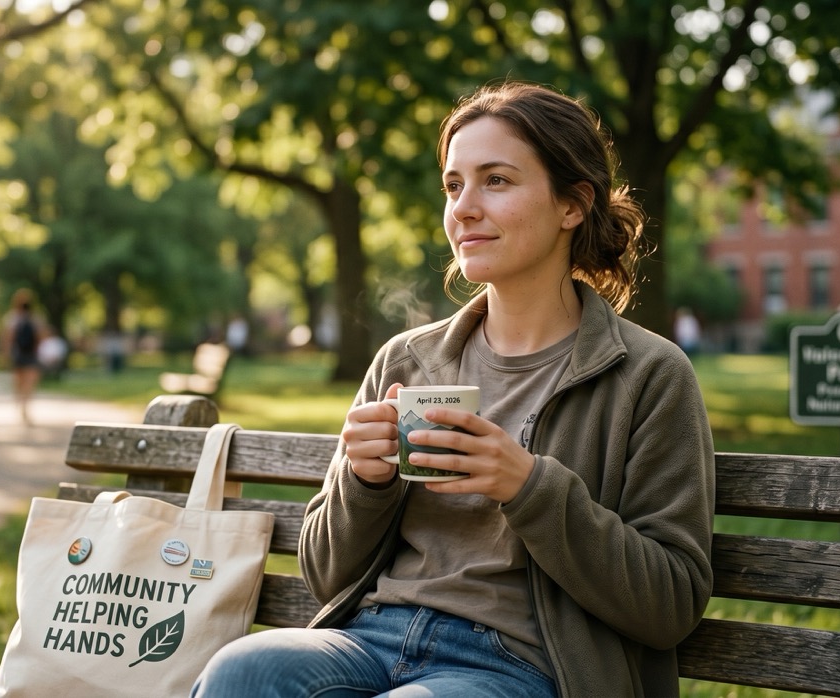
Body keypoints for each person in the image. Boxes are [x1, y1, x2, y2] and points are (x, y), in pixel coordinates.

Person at [192, 81, 715, 698]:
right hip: (373, 638)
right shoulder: (406, 362)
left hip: (522, 665)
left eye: (496, 180)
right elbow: (324, 573)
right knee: (241, 671)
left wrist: (529, 486)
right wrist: (364, 482)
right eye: (453, 185)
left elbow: (671, 603)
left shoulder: (647, 374)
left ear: (572, 205)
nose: (463, 207)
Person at [0, 289, 43, 424]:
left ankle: (21, 404)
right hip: (31, 355)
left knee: (19, 382)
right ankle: (25, 406)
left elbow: (7, 338)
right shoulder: (35, 318)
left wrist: (4, 354)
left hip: (18, 355)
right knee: (29, 383)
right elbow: (39, 338)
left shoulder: (12, 318)